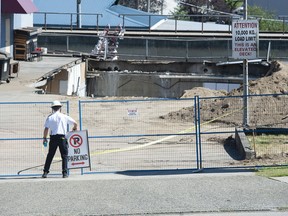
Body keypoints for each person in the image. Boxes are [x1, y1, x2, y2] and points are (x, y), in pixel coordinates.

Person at [42, 100, 77, 178]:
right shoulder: (64, 116)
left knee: (50, 155)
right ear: (60, 108)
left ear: (52, 108)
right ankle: (64, 173)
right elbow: (75, 123)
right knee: (64, 156)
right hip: (62, 138)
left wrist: (44, 138)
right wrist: (74, 128)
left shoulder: (50, 117)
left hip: (53, 138)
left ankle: (45, 172)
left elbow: (46, 129)